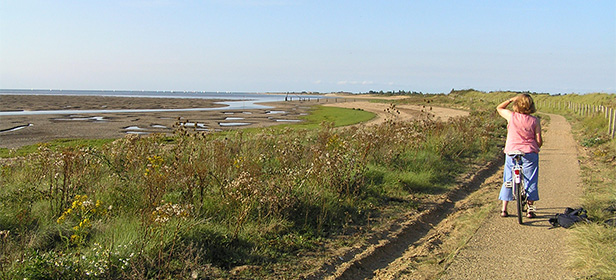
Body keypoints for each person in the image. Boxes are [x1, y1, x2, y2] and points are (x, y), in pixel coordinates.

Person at [496, 94, 543, 218]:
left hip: (512, 151)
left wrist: (511, 99)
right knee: (531, 180)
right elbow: (539, 141)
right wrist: (536, 145)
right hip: (529, 152)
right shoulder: (535, 120)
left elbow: (499, 108)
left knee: (508, 180)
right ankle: (530, 210)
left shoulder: (511, 116)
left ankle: (504, 209)